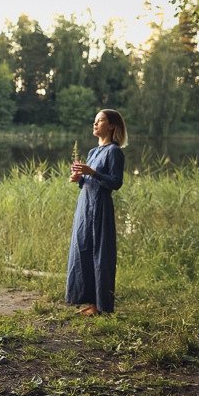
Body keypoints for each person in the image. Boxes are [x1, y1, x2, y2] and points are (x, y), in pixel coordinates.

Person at [66, 109, 127, 316]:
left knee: (101, 255)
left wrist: (92, 172)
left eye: (100, 121)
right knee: (83, 251)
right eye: (95, 121)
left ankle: (104, 306)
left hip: (101, 206)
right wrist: (80, 179)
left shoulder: (114, 152)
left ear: (111, 126)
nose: (95, 124)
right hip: (85, 205)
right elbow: (89, 181)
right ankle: (91, 304)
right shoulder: (93, 152)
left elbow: (115, 183)